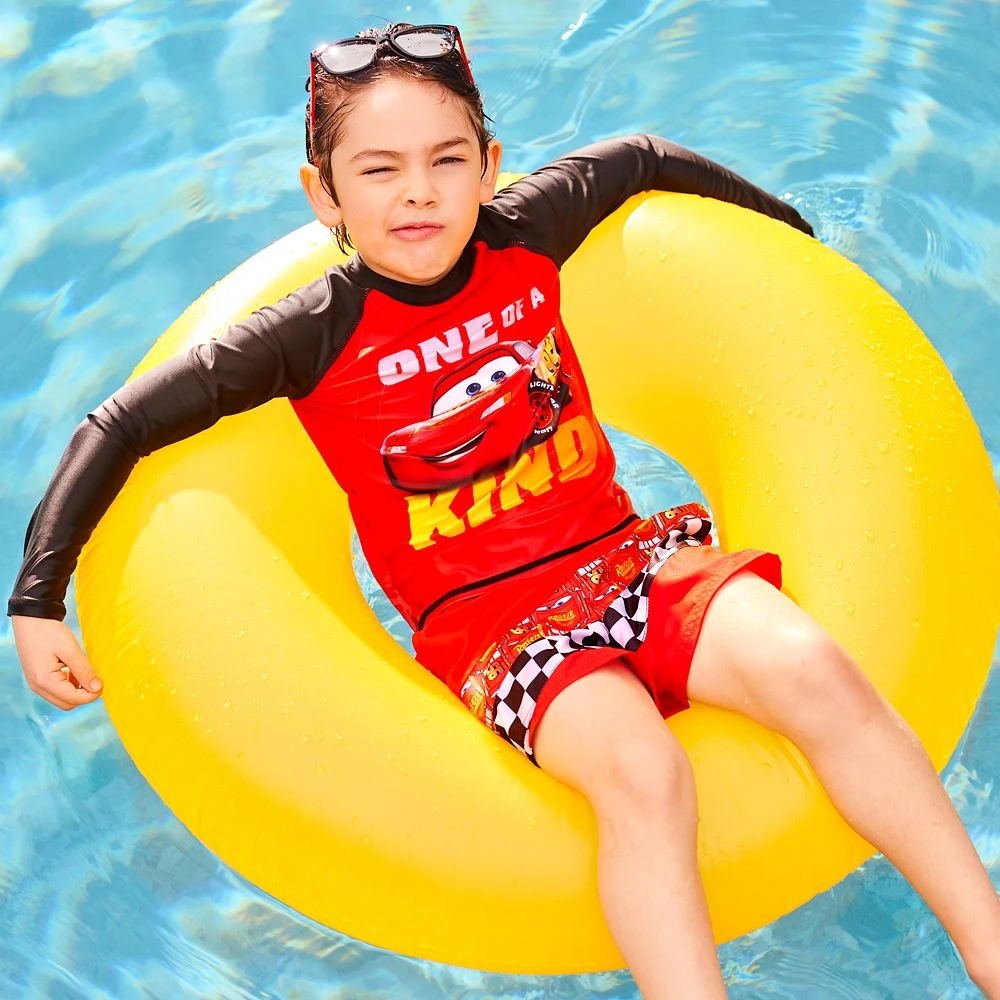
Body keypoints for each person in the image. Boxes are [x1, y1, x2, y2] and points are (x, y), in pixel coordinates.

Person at [8, 22, 1000, 999]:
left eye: (447, 160)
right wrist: (37, 600)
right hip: (496, 625)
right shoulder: (309, 335)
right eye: (379, 170)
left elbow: (641, 157)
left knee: (816, 668)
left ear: (488, 167)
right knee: (644, 770)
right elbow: (121, 423)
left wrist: (789, 241)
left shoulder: (526, 233)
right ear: (325, 195)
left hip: (626, 557)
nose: (418, 192)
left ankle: (990, 951)